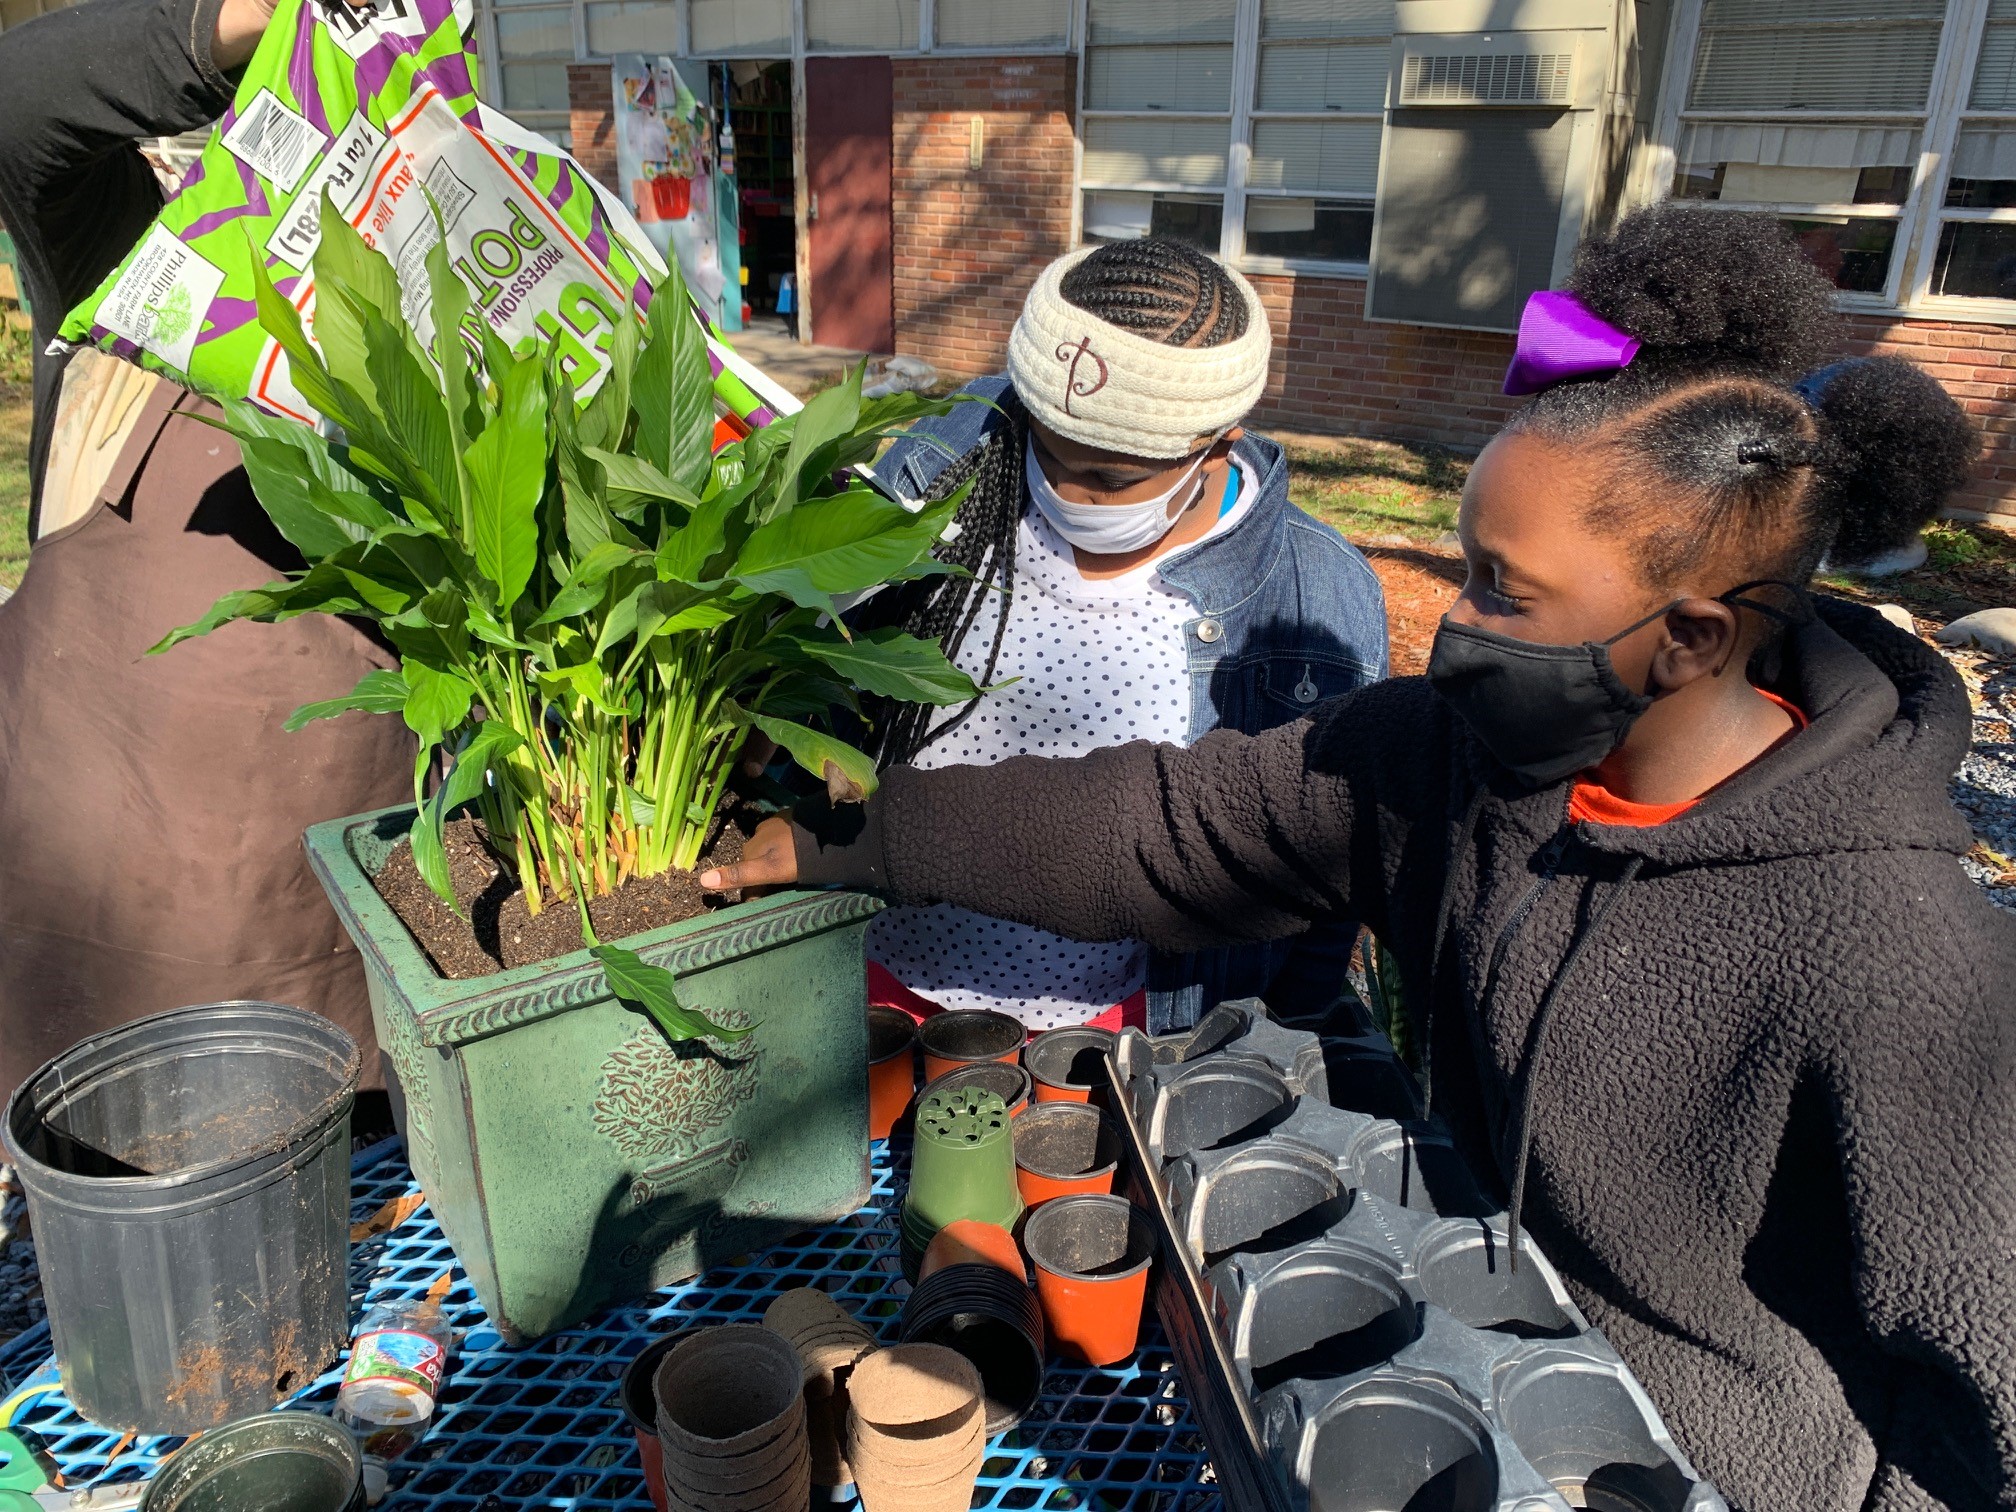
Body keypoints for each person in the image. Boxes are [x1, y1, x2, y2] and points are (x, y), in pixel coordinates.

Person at [705, 206, 2016, 1509]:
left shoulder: (1901, 962)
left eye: (1505, 591)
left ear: (1686, 638)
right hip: (1457, 1390)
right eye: (1467, 568)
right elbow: (1160, 827)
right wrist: (857, 841)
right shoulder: (1438, 765)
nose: (1455, 623)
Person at [0, 0, 411, 1096]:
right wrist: (247, 28)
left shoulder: (436, 329)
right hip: (96, 1008)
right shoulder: (131, 259)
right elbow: (16, 102)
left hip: (344, 1013)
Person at [852, 237, 1387, 1034]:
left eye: (1109, 480)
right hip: (890, 980)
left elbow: (1322, 870)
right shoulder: (948, 470)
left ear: (1218, 443)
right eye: (1047, 453)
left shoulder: (1317, 602)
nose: (1064, 493)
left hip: (1120, 1027)